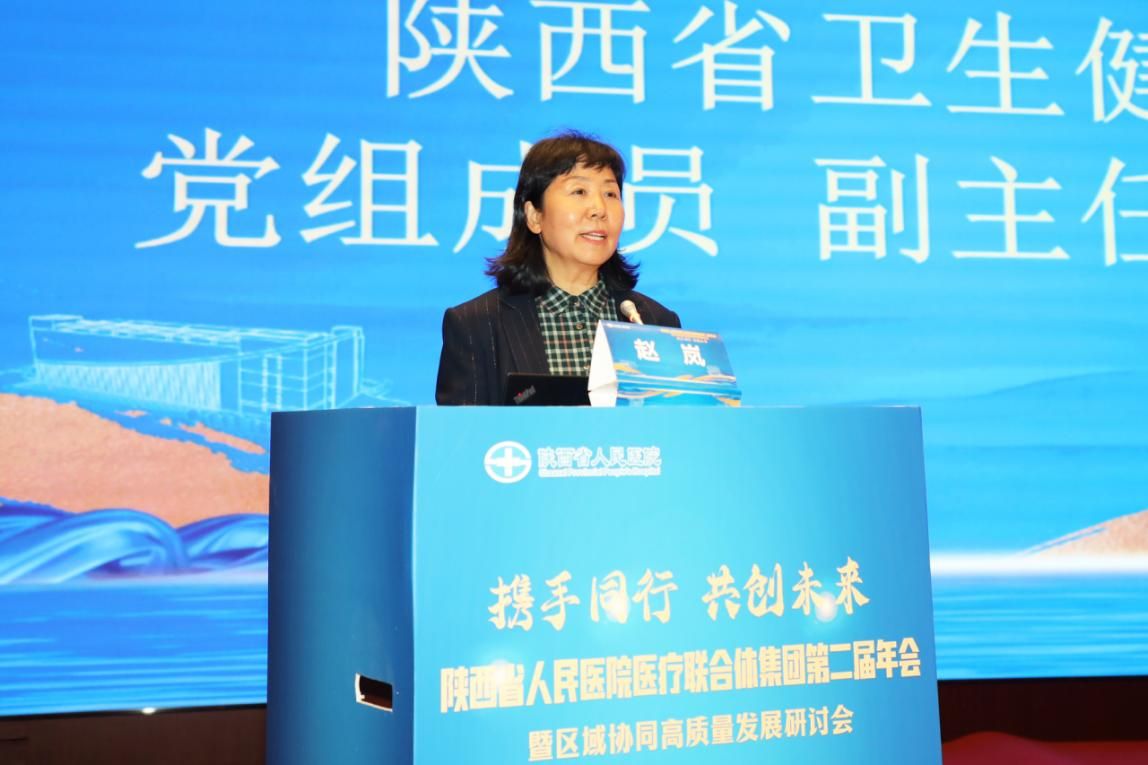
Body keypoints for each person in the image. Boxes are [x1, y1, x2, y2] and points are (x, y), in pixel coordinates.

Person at [435, 131, 681, 405]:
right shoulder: (476, 325)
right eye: (579, 192)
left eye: (611, 193)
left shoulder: (655, 323)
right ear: (534, 216)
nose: (599, 209)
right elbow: (460, 431)